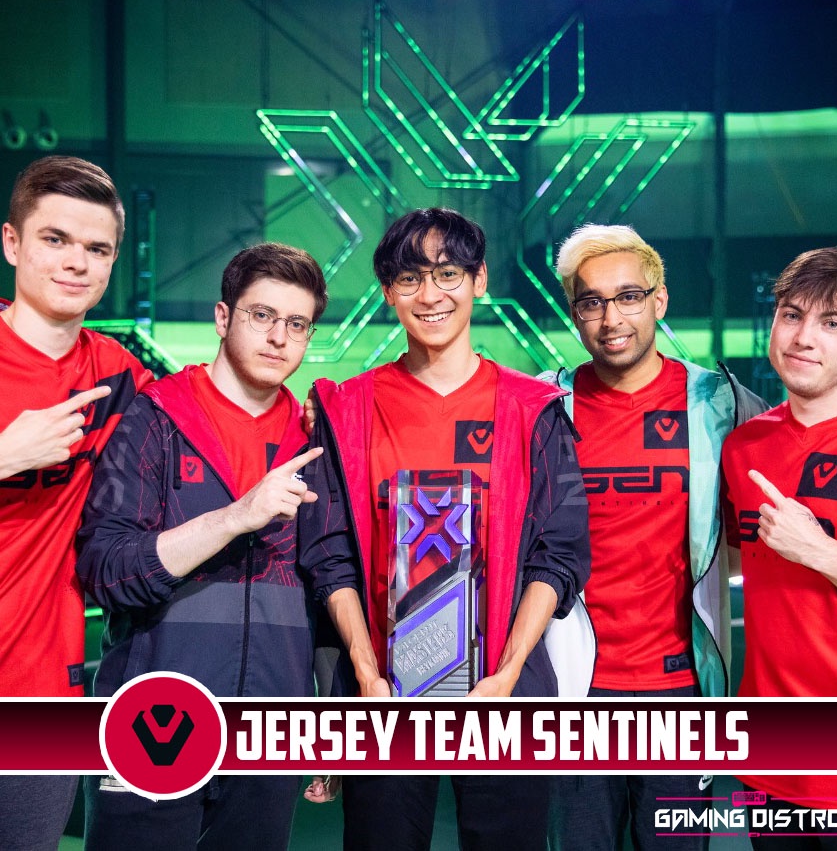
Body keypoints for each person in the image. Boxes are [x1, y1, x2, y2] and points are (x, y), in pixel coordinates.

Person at [298, 207, 592, 851]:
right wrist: (366, 674)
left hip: (506, 690)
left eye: (448, 274)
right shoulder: (348, 409)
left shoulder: (533, 409)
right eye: (409, 279)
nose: (430, 295)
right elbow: (328, 555)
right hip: (381, 692)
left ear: (480, 280)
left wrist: (507, 675)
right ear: (387, 292)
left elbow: (560, 555)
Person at [75, 242, 327, 850]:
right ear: (222, 317)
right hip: (154, 718)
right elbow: (106, 571)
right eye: (261, 315)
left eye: (297, 324)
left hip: (271, 730)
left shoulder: (315, 440)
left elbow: (330, 588)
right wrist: (234, 518)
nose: (279, 337)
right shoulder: (155, 419)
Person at [545, 223, 766, 851]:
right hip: (572, 692)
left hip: (681, 693)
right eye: (591, 302)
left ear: (659, 300)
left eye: (628, 296)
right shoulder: (544, 405)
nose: (611, 318)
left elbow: (795, 449)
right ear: (574, 314)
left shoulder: (719, 403)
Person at [0, 155, 152, 850]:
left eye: (97, 248)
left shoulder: (115, 374)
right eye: (55, 239)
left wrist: (311, 414)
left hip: (43, 692)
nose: (76, 262)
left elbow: (216, 410)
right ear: (12, 243)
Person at [722, 246, 837, 849]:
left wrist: (819, 552)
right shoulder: (745, 446)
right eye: (792, 315)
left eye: (833, 322)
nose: (803, 337)